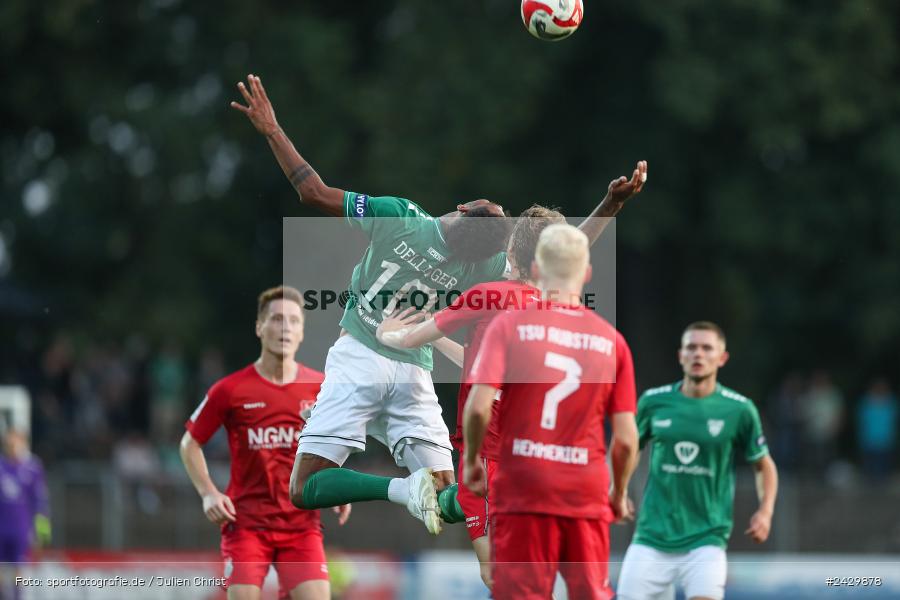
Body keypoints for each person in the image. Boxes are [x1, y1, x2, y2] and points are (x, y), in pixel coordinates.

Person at [230, 73, 648, 535]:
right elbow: (560, 257)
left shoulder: (402, 217)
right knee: (454, 498)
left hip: (361, 356)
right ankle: (365, 441)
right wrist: (610, 205)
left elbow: (314, 192)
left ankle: (389, 480)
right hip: (415, 372)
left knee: (303, 487)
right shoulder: (484, 270)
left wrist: (272, 130)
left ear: (462, 208)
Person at [463, 224, 640, 600]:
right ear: (587, 274)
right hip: (584, 489)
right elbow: (625, 439)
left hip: (523, 486)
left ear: (537, 270)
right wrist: (618, 491)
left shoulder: (508, 326)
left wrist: (473, 461)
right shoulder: (613, 342)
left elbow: (478, 408)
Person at [180, 286, 350, 600]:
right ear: (259, 327)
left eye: (293, 321)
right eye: (276, 319)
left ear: (302, 332)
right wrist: (207, 493)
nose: (284, 327)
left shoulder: (320, 388)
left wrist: (335, 482)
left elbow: (330, 443)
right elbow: (190, 443)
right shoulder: (229, 389)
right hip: (246, 526)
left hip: (301, 526)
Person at [616, 322, 779, 600]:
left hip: (706, 539)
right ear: (681, 355)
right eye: (691, 347)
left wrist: (765, 511)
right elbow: (630, 448)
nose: (698, 354)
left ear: (722, 357)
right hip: (652, 536)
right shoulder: (653, 402)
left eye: (707, 348)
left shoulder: (738, 409)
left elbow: (763, 465)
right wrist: (619, 491)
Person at [0, 428, 50, 600]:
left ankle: (17, 597)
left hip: (21, 529)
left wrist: (42, 535)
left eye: (15, 442)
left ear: (23, 443)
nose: (11, 447)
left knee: (18, 570)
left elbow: (41, 503)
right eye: (8, 443)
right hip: (1, 528)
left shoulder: (33, 468)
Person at [856, 377, 897, 482]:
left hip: (885, 438)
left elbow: (894, 419)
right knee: (869, 462)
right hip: (869, 438)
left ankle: (883, 481)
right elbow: (861, 420)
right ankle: (870, 480)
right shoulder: (866, 402)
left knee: (884, 461)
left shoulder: (891, 402)